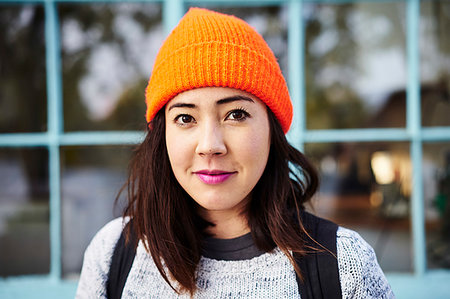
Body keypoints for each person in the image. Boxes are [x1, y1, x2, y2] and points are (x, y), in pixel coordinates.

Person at [76, 7, 394, 298]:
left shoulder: (344, 265)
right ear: (163, 135)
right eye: (185, 118)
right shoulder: (114, 253)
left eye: (236, 115)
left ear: (272, 127)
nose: (210, 145)